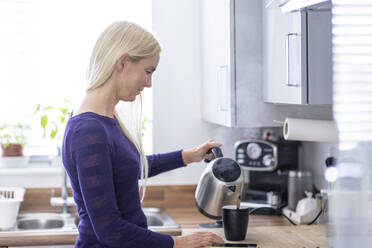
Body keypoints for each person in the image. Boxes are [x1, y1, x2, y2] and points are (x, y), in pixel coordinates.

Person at [61, 21, 224, 248]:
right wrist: (177, 243)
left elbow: (129, 167)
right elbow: (110, 232)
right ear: (123, 62)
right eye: (148, 72)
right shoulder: (89, 129)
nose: (148, 84)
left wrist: (189, 155)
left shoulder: (105, 119)